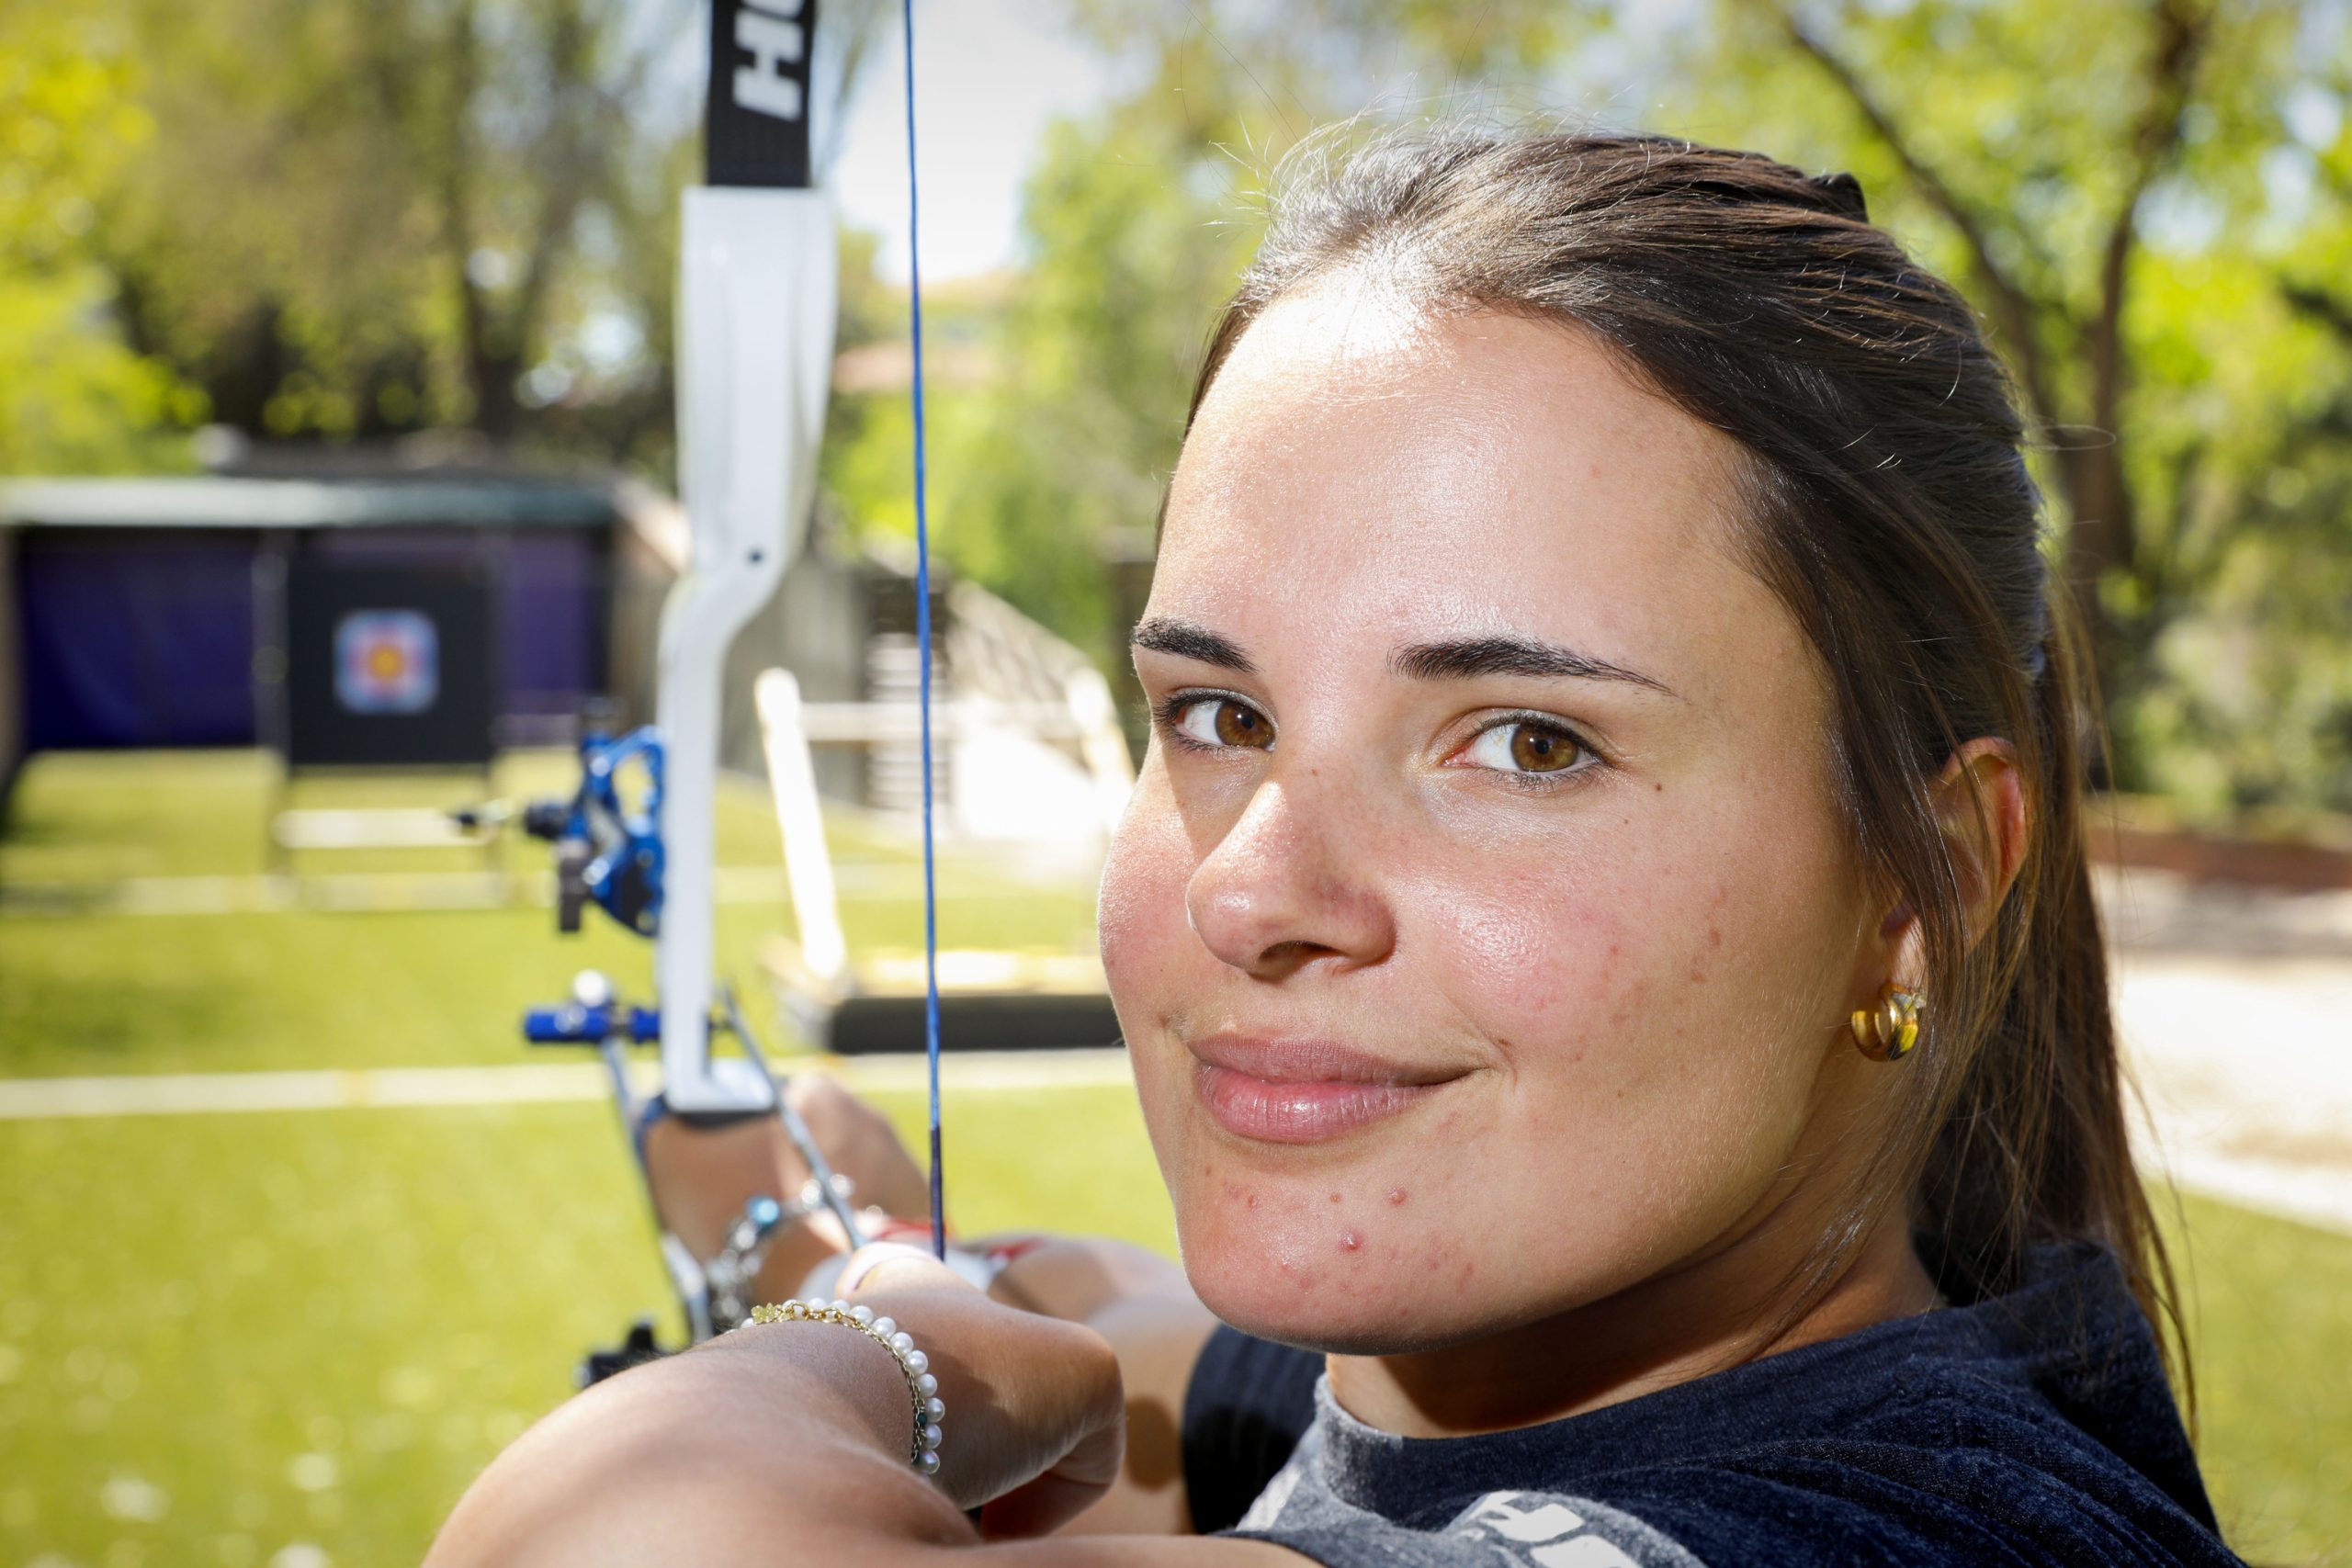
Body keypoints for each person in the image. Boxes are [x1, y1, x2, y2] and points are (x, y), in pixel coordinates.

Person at [425, 128, 2244, 1566]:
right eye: (1217, 716)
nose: (1246, 889)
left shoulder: (1890, 1531)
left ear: (1921, 883)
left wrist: (872, 1332)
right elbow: (1120, 1327)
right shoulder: (1574, 1372)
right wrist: (843, 1215)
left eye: (1526, 742)